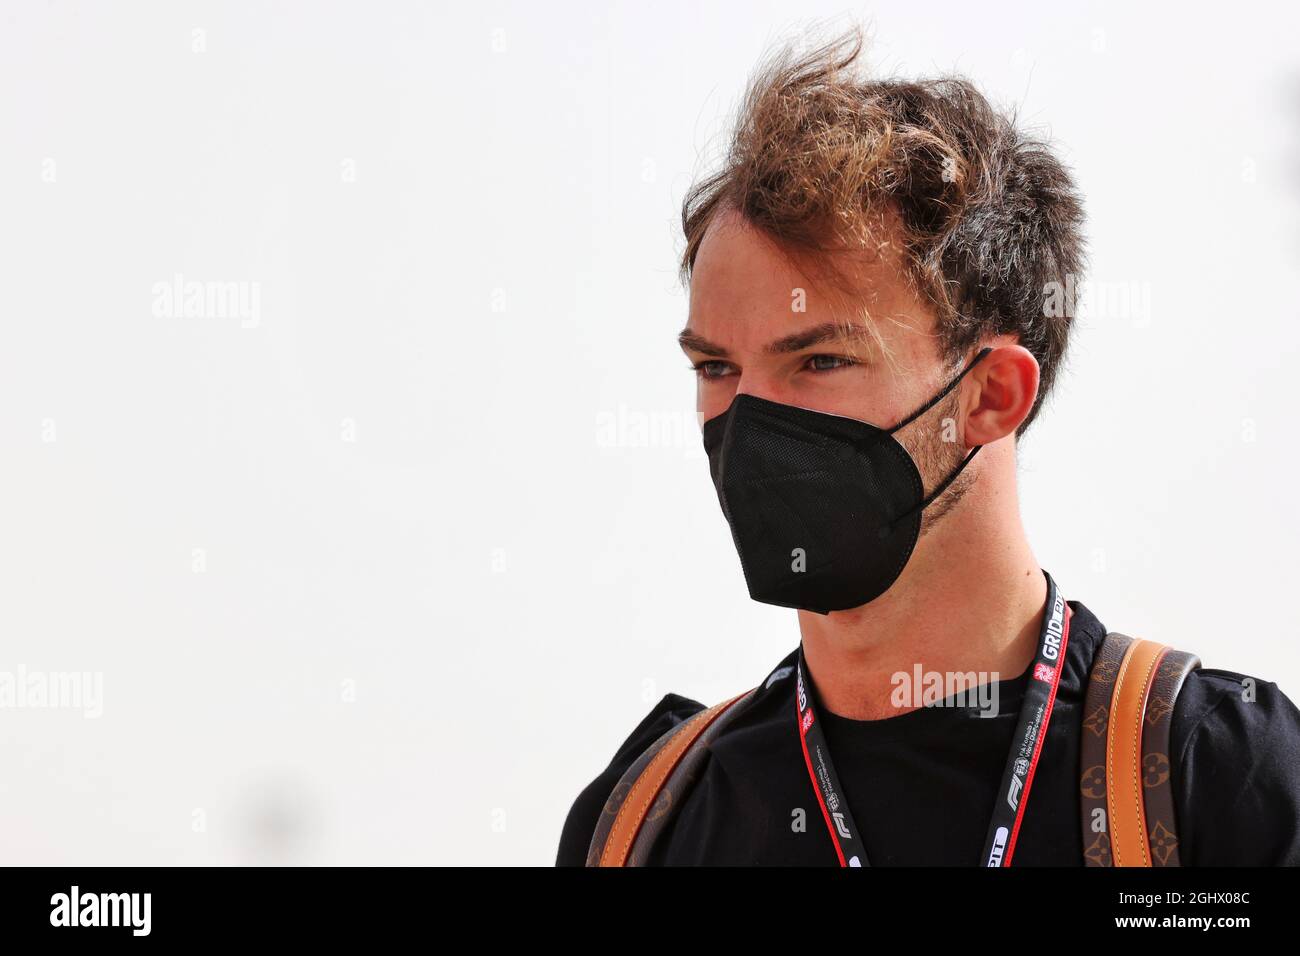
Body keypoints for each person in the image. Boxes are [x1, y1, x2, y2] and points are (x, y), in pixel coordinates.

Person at [556, 26, 1300, 866]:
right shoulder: (646, 822)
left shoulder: (1212, 781)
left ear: (991, 396)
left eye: (819, 359)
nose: (750, 421)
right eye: (717, 367)